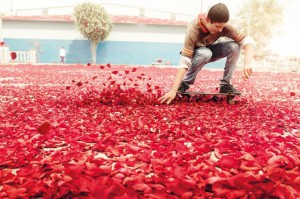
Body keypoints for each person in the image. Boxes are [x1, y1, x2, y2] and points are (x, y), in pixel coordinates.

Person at [159, 3, 255, 104]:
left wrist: (247, 62)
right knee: (205, 53)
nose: (220, 30)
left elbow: (248, 40)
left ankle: (225, 85)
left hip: (211, 50)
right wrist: (174, 90)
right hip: (197, 54)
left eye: (222, 27)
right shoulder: (194, 29)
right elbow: (185, 60)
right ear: (208, 20)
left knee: (235, 46)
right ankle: (185, 83)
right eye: (217, 26)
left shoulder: (223, 26)